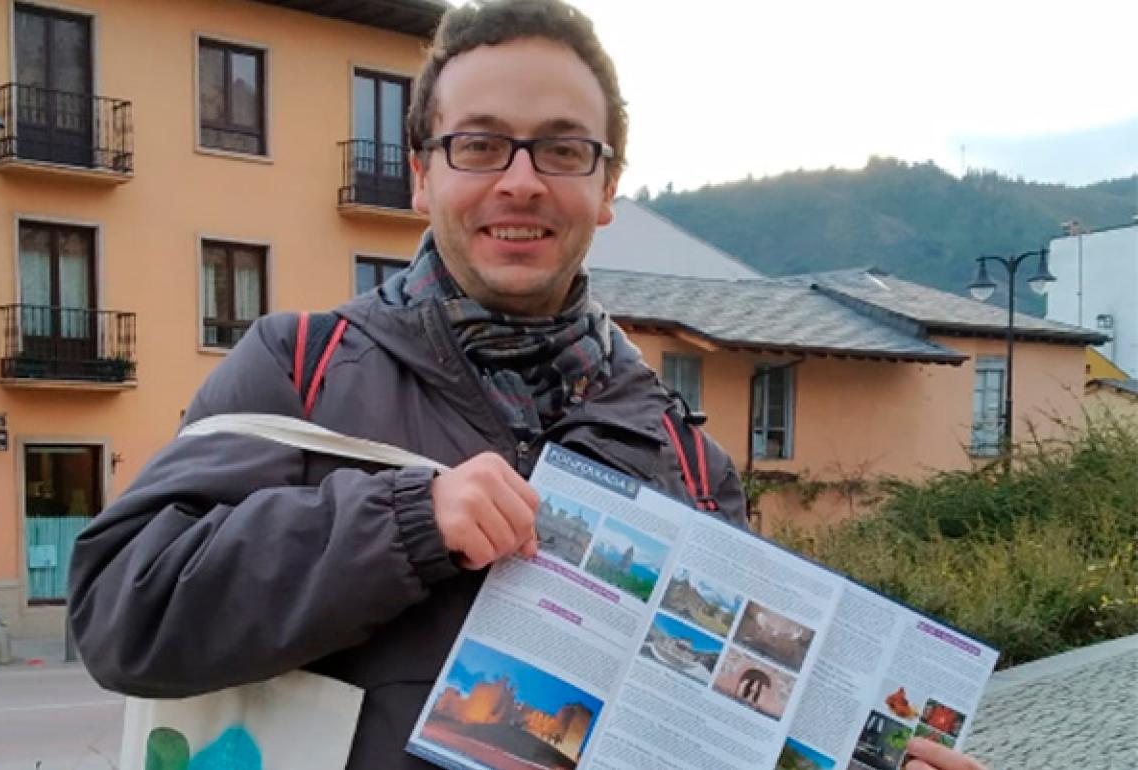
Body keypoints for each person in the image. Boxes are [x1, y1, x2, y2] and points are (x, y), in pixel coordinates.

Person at [68, 2, 987, 769]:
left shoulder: (686, 460)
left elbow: (716, 733)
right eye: (480, 146)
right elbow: (119, 612)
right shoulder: (299, 366)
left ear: (607, 185)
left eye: (561, 150)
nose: (520, 182)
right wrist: (406, 523)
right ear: (424, 175)